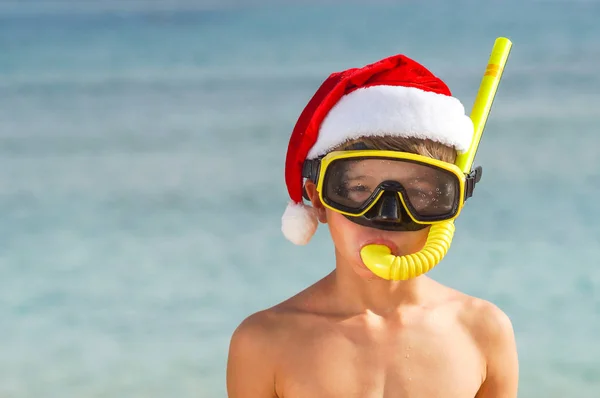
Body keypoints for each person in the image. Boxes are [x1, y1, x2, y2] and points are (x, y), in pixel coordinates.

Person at [226, 54, 519, 397]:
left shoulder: (482, 330)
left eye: (419, 193)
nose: (387, 215)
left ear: (448, 207)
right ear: (318, 200)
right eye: (359, 190)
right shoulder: (264, 341)